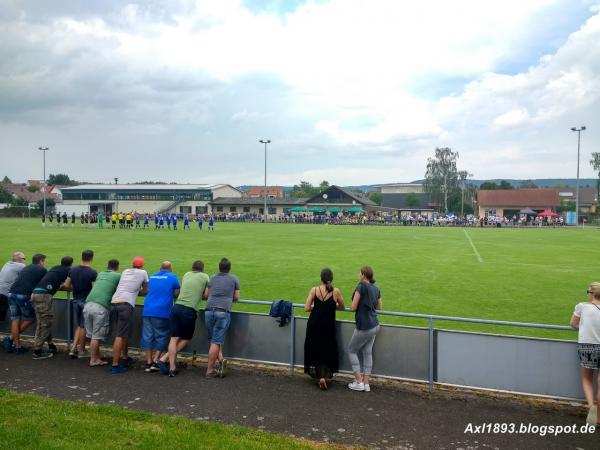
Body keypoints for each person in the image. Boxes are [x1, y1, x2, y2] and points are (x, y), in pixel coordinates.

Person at [157, 260, 209, 377]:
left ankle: (171, 368)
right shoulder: (205, 276)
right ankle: (164, 358)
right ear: (203, 269)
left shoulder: (186, 274)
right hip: (189, 310)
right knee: (185, 338)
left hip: (176, 308)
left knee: (174, 338)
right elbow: (206, 295)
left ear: (192, 268)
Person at [303, 268, 345, 389]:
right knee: (327, 350)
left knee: (315, 349)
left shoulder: (314, 290)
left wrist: (317, 308)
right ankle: (324, 376)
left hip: (314, 324)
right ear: (331, 278)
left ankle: (320, 377)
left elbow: (306, 308)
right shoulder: (336, 291)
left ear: (321, 278)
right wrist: (331, 307)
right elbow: (342, 306)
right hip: (328, 325)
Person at [110, 256, 148, 374]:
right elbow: (145, 290)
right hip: (125, 305)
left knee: (123, 333)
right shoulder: (143, 272)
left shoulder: (126, 271)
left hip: (115, 302)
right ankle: (115, 365)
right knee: (120, 335)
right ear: (142, 265)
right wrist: (138, 291)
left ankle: (125, 357)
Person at [31, 256, 73, 360]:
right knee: (45, 323)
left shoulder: (55, 267)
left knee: (43, 322)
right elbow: (67, 285)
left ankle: (50, 345)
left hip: (35, 294)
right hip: (44, 296)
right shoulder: (69, 270)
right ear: (71, 264)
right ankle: (37, 351)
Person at [140, 261, 180, 372]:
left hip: (148, 309)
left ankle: (148, 361)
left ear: (160, 267)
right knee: (162, 335)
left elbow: (146, 289)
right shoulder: (172, 277)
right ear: (170, 268)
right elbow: (177, 292)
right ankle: (156, 359)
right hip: (162, 311)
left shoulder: (152, 276)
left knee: (147, 336)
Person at [347, 266, 382, 392]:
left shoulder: (361, 286)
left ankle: (359, 381)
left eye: (359, 274)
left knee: (351, 350)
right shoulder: (376, 288)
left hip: (364, 326)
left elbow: (352, 307)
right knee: (367, 352)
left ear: (363, 275)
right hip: (375, 325)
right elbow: (379, 308)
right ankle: (366, 384)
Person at [570, 282, 600, 426]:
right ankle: (599, 416)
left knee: (587, 379)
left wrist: (583, 325)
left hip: (587, 346)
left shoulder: (582, 306)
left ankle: (591, 406)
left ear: (592, 294)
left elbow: (573, 324)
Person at [204, 258, 239, 378]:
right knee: (216, 341)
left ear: (219, 267)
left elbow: (206, 294)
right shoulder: (233, 278)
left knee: (213, 340)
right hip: (222, 312)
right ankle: (209, 371)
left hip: (208, 311)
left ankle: (221, 360)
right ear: (229, 268)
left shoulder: (213, 277)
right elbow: (237, 297)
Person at [5, 254, 47, 354]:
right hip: (23, 295)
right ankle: (11, 339)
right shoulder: (42, 270)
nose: (44, 263)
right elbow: (46, 282)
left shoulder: (26, 267)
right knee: (30, 318)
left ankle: (17, 345)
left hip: (11, 293)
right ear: (41, 261)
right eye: (44, 261)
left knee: (15, 319)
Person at [83, 259, 121, 366]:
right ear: (117, 267)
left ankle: (96, 358)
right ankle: (93, 360)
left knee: (92, 335)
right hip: (100, 306)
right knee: (96, 336)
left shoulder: (101, 273)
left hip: (88, 304)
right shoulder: (117, 276)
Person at [68, 250, 97, 358]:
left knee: (80, 326)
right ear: (92, 258)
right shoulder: (92, 272)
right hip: (86, 302)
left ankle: (73, 348)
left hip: (75, 300)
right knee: (83, 327)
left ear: (82, 257)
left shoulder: (73, 270)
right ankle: (81, 350)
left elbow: (67, 284)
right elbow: (94, 289)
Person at [0, 252, 27, 345]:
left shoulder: (7, 263)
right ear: (20, 259)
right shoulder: (21, 266)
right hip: (4, 294)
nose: (25, 261)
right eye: (24, 258)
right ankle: (13, 341)